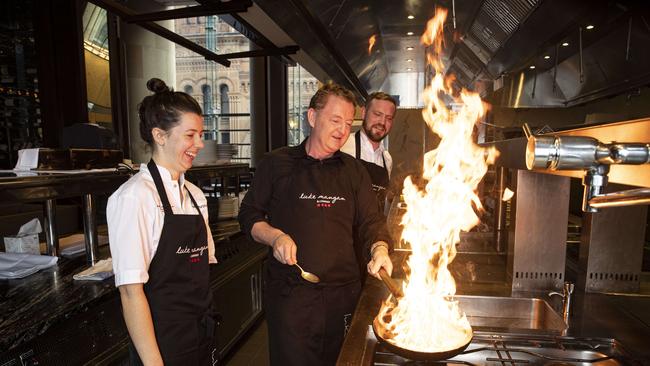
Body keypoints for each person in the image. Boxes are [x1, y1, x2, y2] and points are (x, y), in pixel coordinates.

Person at [238, 83, 393, 366]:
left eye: (348, 123)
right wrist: (274, 237)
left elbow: (371, 221)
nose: (342, 130)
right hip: (292, 297)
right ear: (312, 117)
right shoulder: (276, 164)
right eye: (335, 120)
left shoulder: (353, 170)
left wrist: (380, 248)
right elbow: (249, 215)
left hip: (343, 297)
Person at [107, 78, 217, 366]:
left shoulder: (194, 195)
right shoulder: (134, 198)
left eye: (201, 134)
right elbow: (131, 293)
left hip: (201, 333)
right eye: (190, 135)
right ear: (160, 135)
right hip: (160, 343)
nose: (200, 144)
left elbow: (202, 271)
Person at [340, 92, 397, 214]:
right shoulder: (343, 146)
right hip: (345, 230)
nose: (382, 122)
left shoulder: (387, 159)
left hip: (373, 230)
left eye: (388, 118)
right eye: (377, 114)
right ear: (364, 113)